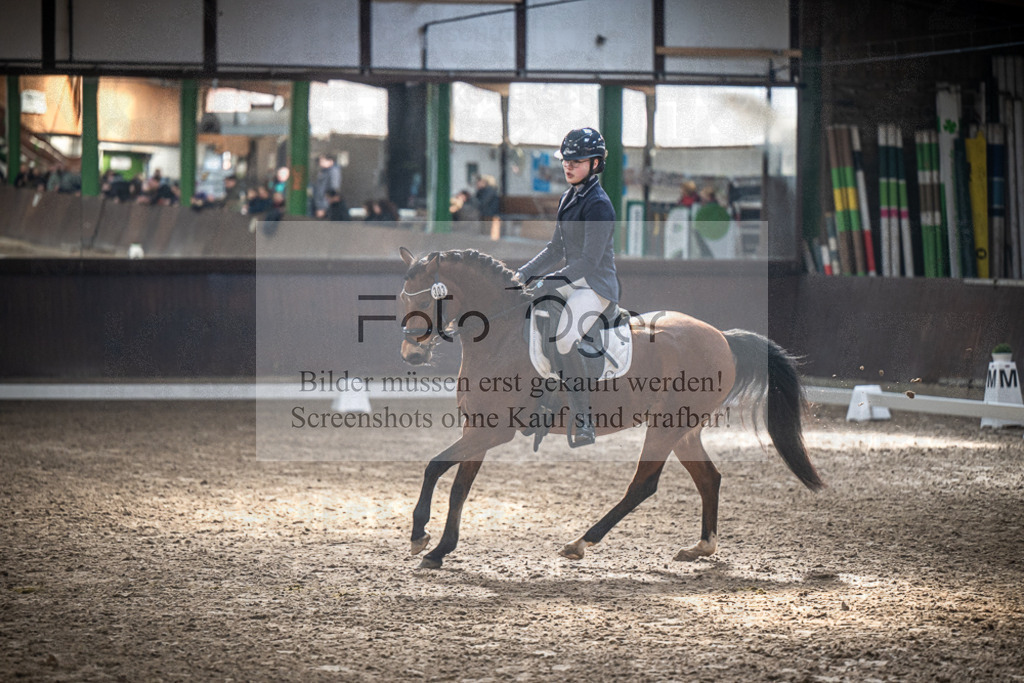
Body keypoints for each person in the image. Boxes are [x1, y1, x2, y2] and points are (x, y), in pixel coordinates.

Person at [514, 127, 619, 447]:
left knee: (563, 339)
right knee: (532, 316)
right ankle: (545, 403)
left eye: (577, 160)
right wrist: (523, 274)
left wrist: (548, 281)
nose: (568, 165)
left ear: (596, 164)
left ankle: (584, 417)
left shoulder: (599, 204)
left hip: (596, 287)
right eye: (566, 160)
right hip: (573, 281)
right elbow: (555, 249)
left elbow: (588, 261)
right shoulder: (568, 197)